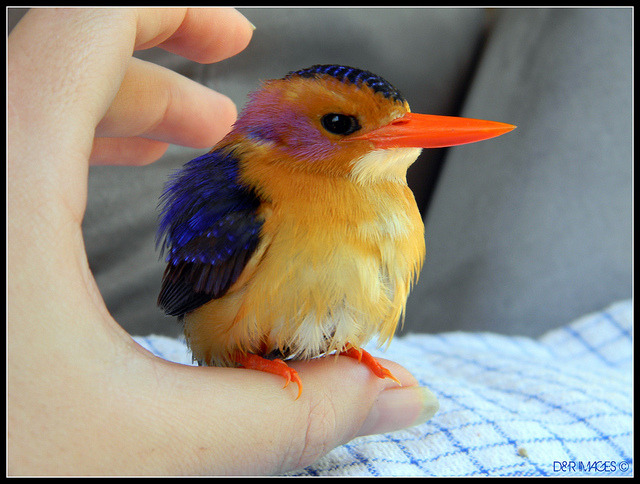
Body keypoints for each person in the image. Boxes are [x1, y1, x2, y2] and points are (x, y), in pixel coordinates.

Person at [8, 8, 436, 475]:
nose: (391, 136)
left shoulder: (393, 192)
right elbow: (188, 298)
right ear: (278, 134)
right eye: (340, 123)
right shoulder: (246, 191)